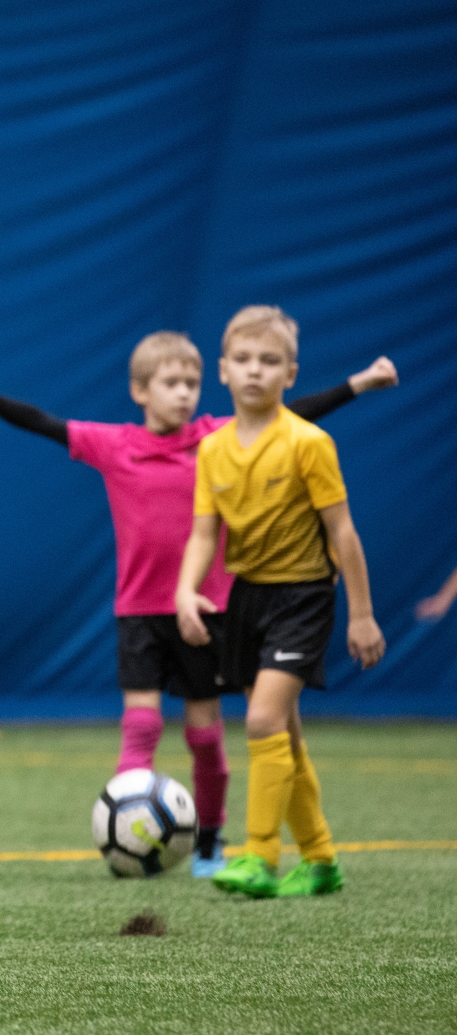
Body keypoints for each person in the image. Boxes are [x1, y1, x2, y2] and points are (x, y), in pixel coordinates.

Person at [0, 338, 395, 875]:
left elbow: (291, 414)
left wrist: (359, 384)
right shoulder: (114, 444)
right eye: (170, 384)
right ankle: (126, 833)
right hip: (138, 610)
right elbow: (43, 422)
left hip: (204, 610)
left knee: (205, 734)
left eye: (191, 384)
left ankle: (209, 840)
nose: (183, 395)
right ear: (140, 391)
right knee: (140, 725)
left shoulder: (215, 438)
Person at [177, 305, 385, 899]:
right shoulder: (213, 450)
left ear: (291, 373)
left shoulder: (309, 442)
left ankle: (261, 857)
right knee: (285, 737)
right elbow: (203, 535)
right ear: (222, 370)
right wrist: (186, 590)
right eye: (242, 360)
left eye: (269, 362)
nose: (254, 372)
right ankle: (320, 860)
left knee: (263, 720)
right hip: (249, 598)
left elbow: (343, 532)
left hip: (304, 596)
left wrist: (362, 614)